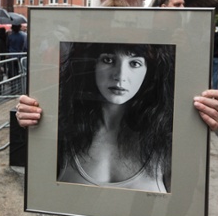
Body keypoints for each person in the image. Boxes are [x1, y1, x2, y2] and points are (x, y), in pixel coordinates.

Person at [16, 0, 218, 216]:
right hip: (84, 199)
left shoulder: (172, 47)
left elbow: (189, 122)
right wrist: (31, 113)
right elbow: (45, 106)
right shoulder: (73, 46)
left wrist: (210, 113)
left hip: (151, 202)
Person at [58, 42, 174, 193]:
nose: (120, 76)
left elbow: (184, 207)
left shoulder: (167, 135)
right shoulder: (62, 128)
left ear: (149, 71)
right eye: (108, 60)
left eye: (134, 63)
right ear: (91, 65)